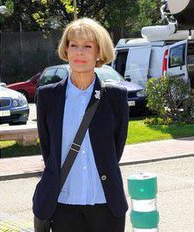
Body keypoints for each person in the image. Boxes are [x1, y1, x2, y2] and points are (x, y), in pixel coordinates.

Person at [31, 18, 129, 232]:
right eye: (73, 45)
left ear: (99, 53)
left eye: (87, 46)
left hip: (106, 204)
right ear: (66, 50)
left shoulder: (115, 97)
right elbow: (49, 151)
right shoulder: (48, 96)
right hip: (62, 206)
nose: (79, 52)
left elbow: (115, 149)